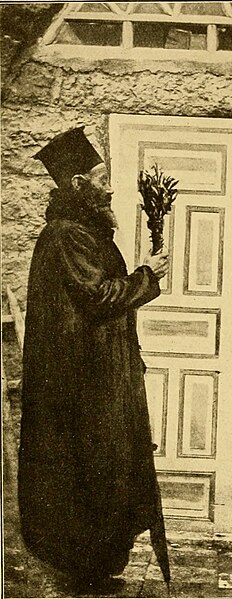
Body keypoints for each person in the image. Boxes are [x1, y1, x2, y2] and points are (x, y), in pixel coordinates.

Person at [18, 127, 170, 593]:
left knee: (104, 469)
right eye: (101, 179)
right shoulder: (67, 235)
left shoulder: (82, 231)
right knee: (87, 472)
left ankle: (97, 566)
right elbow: (99, 297)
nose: (109, 187)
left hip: (97, 375)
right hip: (81, 383)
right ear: (78, 185)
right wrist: (149, 276)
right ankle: (85, 571)